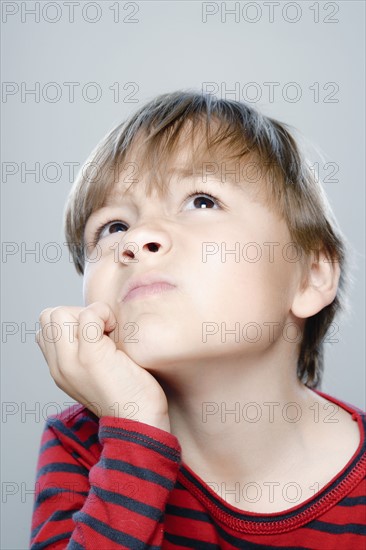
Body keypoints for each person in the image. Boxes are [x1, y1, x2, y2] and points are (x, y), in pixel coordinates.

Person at [30, 90, 365, 549]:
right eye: (113, 227)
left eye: (202, 201)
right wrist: (134, 430)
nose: (138, 239)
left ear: (310, 276)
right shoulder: (83, 447)